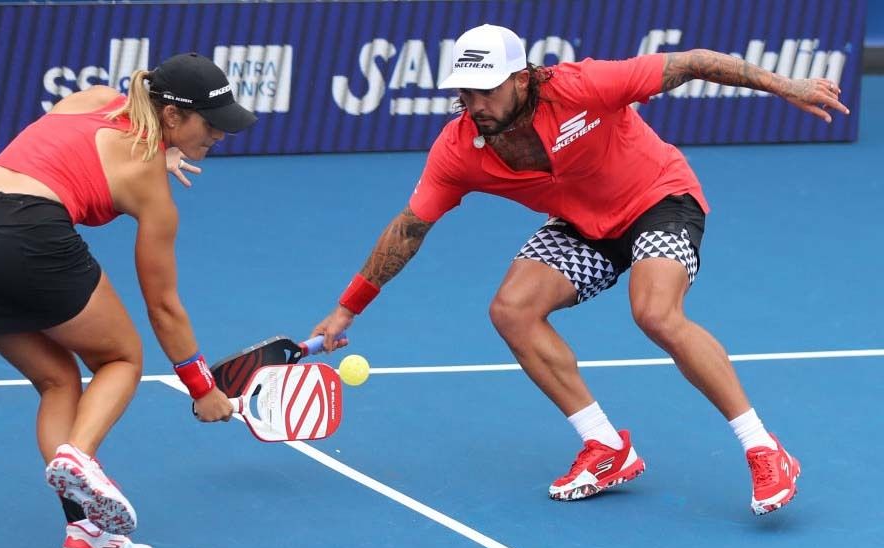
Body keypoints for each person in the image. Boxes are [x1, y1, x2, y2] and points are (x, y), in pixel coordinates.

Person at [312, 24, 849, 515]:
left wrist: (786, 86)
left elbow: (694, 62)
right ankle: (606, 445)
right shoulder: (458, 150)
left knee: (655, 312)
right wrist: (346, 309)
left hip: (657, 199)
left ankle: (763, 446)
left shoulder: (584, 86)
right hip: (584, 226)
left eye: (488, 89)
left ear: (522, 79)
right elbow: (409, 229)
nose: (475, 104)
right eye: (466, 92)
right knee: (512, 310)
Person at [0, 52, 253, 548]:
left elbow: (60, 153)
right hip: (31, 237)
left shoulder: (92, 99)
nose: (220, 135)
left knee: (58, 381)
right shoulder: (150, 186)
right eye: (212, 124)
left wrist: (158, 152)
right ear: (173, 117)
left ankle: (85, 534)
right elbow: (164, 307)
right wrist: (203, 389)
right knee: (121, 359)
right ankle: (78, 455)